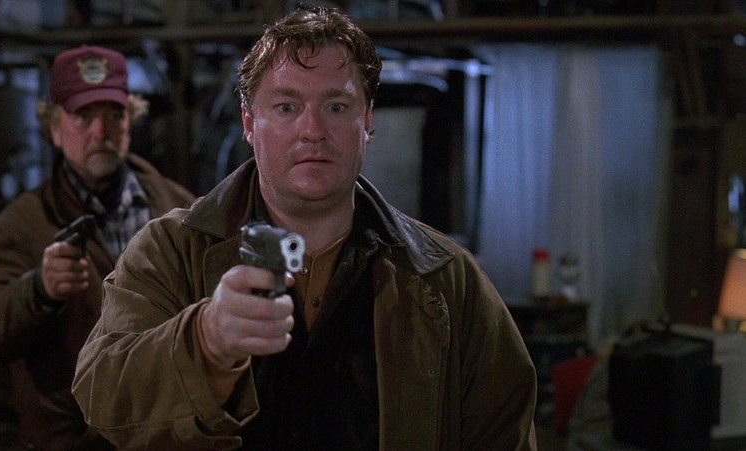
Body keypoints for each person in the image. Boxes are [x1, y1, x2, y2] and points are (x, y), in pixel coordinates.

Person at [73, 6, 537, 450]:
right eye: (286, 107)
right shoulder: (171, 250)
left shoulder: (445, 276)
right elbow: (102, 397)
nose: (312, 130)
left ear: (367, 121)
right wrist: (207, 341)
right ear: (249, 123)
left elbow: (503, 432)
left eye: (336, 107)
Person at [0, 45, 196, 450]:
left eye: (114, 115)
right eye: (83, 116)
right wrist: (38, 289)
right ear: (54, 129)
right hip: (73, 440)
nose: (100, 132)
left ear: (130, 121)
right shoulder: (24, 223)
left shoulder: (180, 209)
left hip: (168, 434)